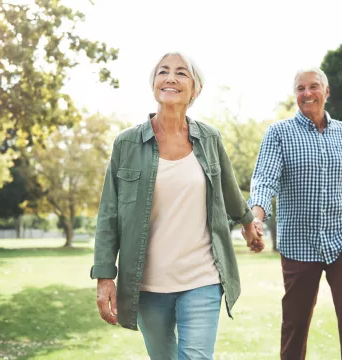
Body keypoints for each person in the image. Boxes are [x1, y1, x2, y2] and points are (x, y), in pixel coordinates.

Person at [90, 51, 264, 360]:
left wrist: (249, 224)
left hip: (202, 277)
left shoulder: (209, 138)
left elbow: (229, 189)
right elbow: (109, 215)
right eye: (163, 71)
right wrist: (105, 277)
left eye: (181, 73)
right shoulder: (127, 144)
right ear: (154, 84)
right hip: (147, 283)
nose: (171, 77)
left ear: (195, 89)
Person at [247, 67, 342, 360]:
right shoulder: (279, 133)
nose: (307, 93)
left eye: (313, 86)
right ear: (295, 96)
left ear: (326, 91)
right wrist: (256, 217)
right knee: (295, 324)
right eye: (300, 89)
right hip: (299, 243)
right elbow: (265, 180)